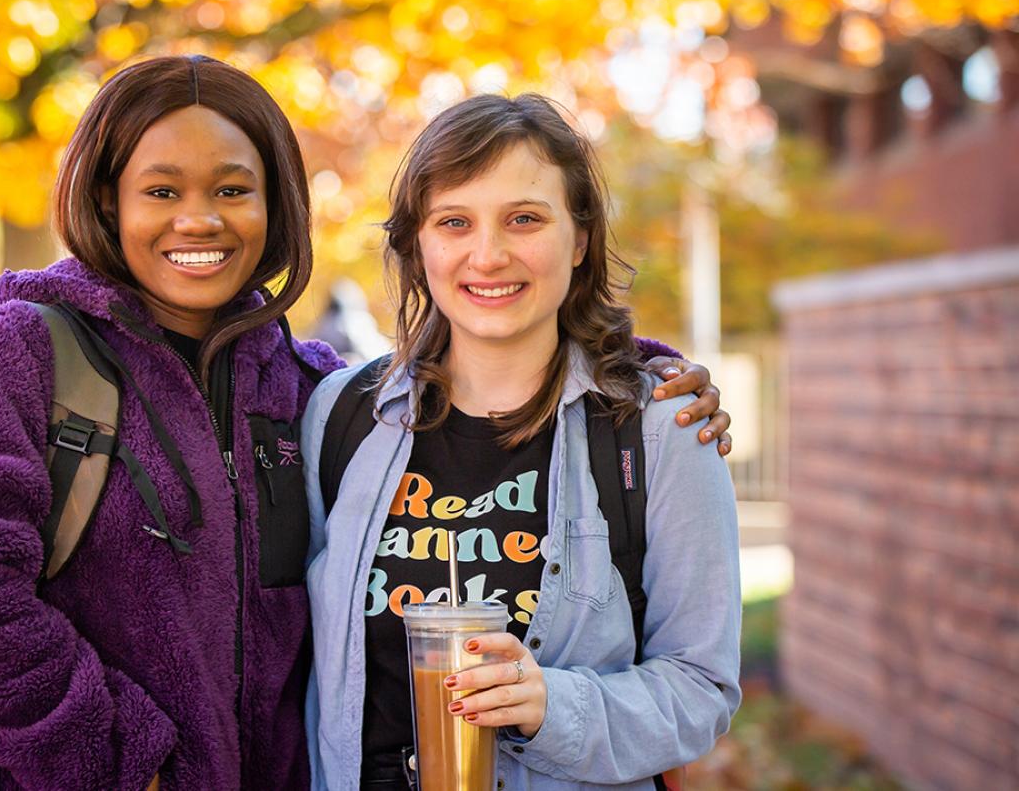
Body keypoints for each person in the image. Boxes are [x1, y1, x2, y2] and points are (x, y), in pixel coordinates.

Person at [0, 57, 731, 790]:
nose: (198, 218)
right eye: (161, 189)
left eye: (233, 188)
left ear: (274, 206)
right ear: (108, 200)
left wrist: (639, 370)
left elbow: (501, 347)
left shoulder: (307, 389)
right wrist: (124, 761)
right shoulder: (21, 356)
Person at [301, 93, 742, 790]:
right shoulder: (342, 417)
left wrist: (553, 706)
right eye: (454, 222)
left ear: (581, 239)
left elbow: (701, 687)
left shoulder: (661, 430)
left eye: (525, 219)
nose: (489, 253)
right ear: (418, 245)